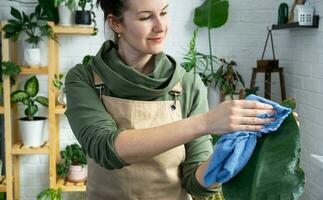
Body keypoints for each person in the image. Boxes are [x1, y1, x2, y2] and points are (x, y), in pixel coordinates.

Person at [64, 0, 275, 199]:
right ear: (116, 23)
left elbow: (195, 183)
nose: (160, 26)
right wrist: (206, 122)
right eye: (146, 17)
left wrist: (230, 154)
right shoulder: (84, 79)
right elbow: (105, 148)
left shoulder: (188, 84)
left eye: (164, 13)